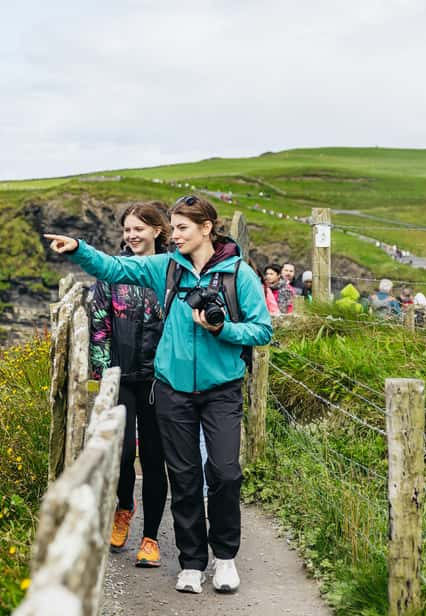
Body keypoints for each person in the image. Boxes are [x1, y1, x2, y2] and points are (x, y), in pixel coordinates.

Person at [44, 195, 273, 595]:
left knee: (224, 474)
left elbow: (262, 329)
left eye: (182, 227)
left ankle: (224, 558)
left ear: (206, 228)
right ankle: (191, 563)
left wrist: (224, 331)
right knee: (183, 477)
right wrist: (80, 249)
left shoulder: (240, 275)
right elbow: (115, 268)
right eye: (173, 226)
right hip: (172, 390)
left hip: (222, 391)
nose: (175, 234)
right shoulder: (166, 269)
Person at [87, 203, 171, 568]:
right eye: (127, 230)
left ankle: (150, 538)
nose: (133, 235)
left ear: (157, 230)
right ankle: (124, 506)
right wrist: (106, 373)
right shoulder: (112, 273)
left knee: (155, 460)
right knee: (121, 457)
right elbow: (99, 324)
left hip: (160, 379)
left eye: (140, 228)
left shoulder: (172, 272)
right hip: (120, 377)